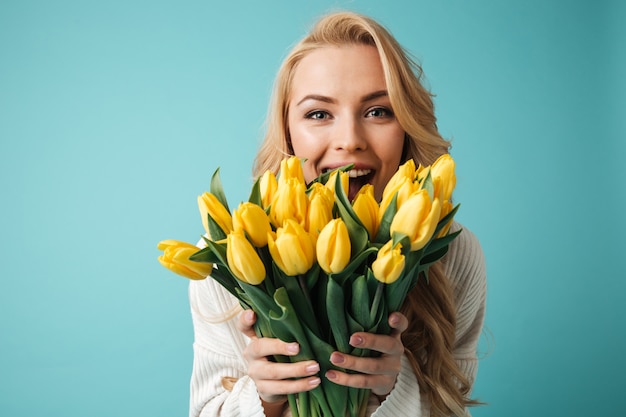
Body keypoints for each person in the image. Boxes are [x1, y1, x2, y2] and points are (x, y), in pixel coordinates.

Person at [188, 11, 486, 417]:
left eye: (378, 111)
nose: (349, 141)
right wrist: (262, 397)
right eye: (319, 114)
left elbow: (453, 407)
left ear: (407, 127)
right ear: (288, 130)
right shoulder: (231, 252)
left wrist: (394, 390)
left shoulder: (452, 251)